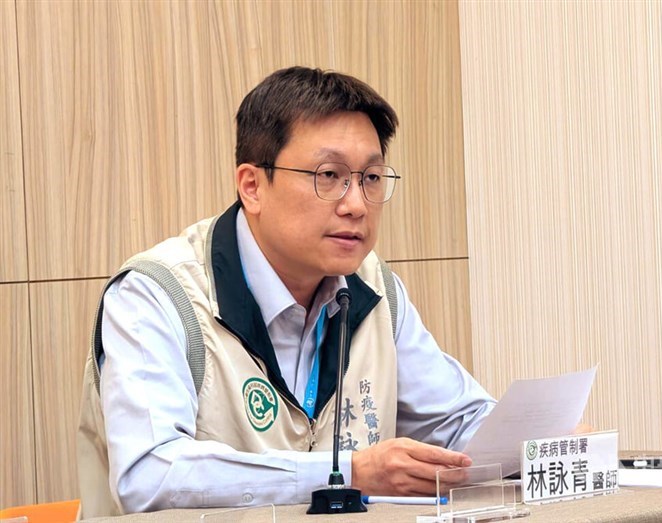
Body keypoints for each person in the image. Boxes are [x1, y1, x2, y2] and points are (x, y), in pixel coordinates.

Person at [77, 66, 496, 518]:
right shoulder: (156, 295)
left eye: (371, 178)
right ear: (252, 186)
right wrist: (344, 474)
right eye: (329, 174)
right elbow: (150, 476)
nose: (355, 204)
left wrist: (547, 443)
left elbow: (459, 423)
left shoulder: (373, 288)